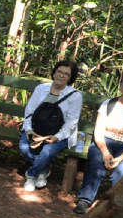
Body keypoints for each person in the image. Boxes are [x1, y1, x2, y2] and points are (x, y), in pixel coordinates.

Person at [73, 71, 123, 214]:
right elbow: (98, 132)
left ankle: (115, 205)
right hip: (105, 142)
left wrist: (120, 158)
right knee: (97, 164)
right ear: (120, 85)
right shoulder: (109, 104)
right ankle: (84, 200)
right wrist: (105, 152)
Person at [19, 59, 83, 192]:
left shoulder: (75, 96)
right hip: (36, 129)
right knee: (24, 147)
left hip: (60, 133)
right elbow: (29, 112)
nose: (61, 75)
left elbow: (71, 123)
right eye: (59, 71)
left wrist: (57, 137)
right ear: (54, 73)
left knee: (48, 151)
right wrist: (29, 130)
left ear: (71, 78)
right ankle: (44, 170)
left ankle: (31, 174)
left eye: (66, 74)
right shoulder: (41, 88)